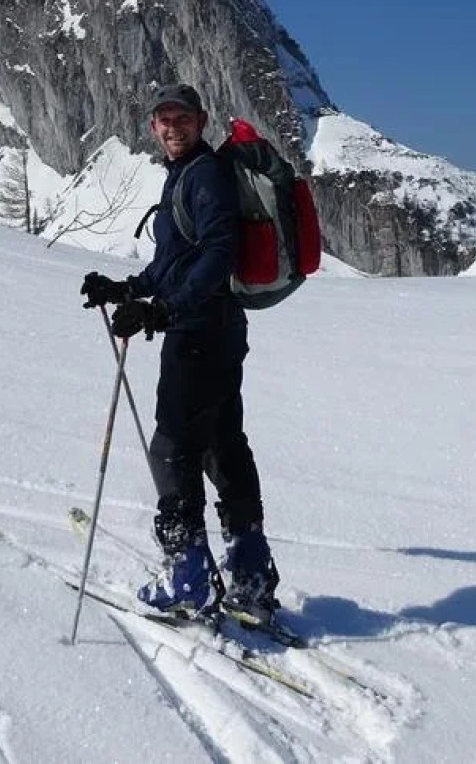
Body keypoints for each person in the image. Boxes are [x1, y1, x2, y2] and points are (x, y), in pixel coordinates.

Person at [81, 83, 279, 620]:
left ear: (201, 120)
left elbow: (219, 251)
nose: (174, 127)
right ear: (153, 126)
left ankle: (188, 574)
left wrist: (166, 311)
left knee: (172, 448)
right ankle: (251, 573)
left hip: (199, 333)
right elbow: (174, 262)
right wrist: (127, 289)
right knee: (223, 446)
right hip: (217, 330)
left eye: (183, 118)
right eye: (165, 119)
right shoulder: (185, 175)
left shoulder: (204, 174)